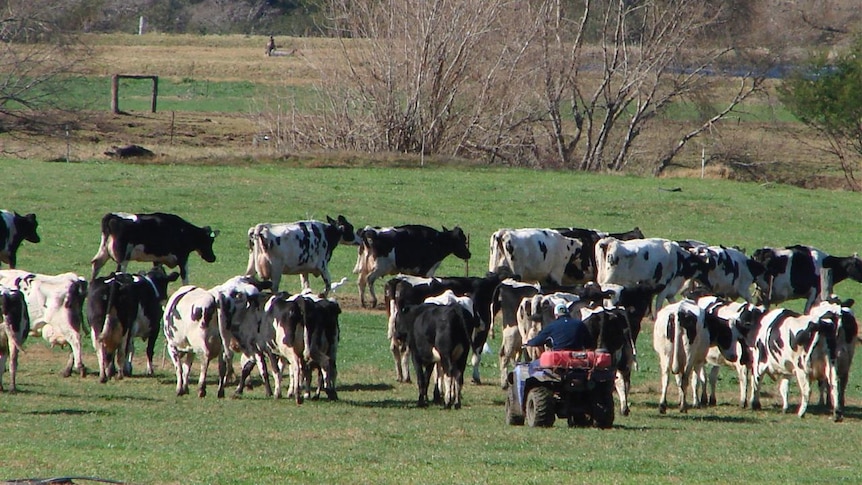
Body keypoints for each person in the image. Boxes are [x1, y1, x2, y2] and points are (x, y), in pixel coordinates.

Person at [526, 302, 594, 351]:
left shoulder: (552, 326)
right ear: (568, 313)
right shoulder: (580, 324)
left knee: (533, 366)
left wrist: (528, 343)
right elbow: (589, 344)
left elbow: (537, 341)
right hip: (576, 359)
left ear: (556, 315)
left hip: (559, 359)